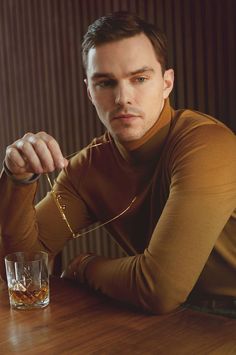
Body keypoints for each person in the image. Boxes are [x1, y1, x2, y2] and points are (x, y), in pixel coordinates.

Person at [0, 11, 236, 315]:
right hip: (180, 320)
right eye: (105, 83)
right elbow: (20, 267)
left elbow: (158, 288)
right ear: (89, 91)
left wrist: (84, 266)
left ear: (167, 83)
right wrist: (17, 181)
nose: (123, 97)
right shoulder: (89, 166)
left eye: (139, 78)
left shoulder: (207, 144)